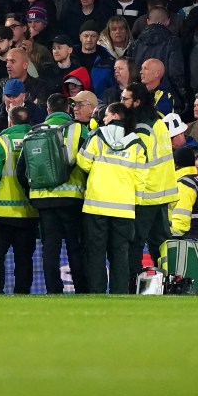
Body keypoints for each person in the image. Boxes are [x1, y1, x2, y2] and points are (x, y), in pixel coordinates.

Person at [20, 93, 89, 294]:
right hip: (72, 199)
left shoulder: (34, 132)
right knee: (75, 247)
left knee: (50, 248)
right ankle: (82, 290)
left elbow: (21, 170)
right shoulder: (79, 130)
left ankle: (53, 290)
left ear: (48, 111)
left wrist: (32, 194)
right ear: (67, 110)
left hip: (43, 200)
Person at [76, 102, 145, 294]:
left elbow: (83, 161)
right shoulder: (137, 143)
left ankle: (97, 293)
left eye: (106, 115)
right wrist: (135, 203)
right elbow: (141, 178)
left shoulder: (97, 135)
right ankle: (119, 294)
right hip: (124, 208)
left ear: (115, 116)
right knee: (120, 254)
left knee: (96, 253)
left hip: (96, 206)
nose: (103, 119)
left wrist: (98, 171)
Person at [0, 106, 39, 294]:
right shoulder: (37, 139)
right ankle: (23, 294)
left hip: (2, 214)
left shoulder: (1, 142)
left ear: (10, 121)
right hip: (29, 212)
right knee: (24, 259)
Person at [122, 82, 177, 284]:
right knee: (161, 243)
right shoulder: (158, 121)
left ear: (136, 102)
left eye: (125, 99)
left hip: (145, 194)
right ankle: (170, 283)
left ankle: (132, 284)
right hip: (161, 192)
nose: (121, 103)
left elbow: (137, 161)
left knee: (134, 243)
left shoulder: (141, 128)